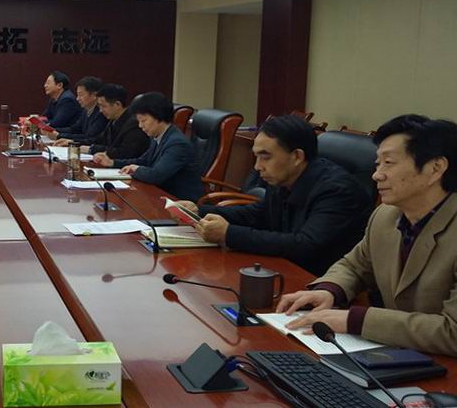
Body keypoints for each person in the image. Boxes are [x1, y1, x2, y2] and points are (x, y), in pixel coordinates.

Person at [277, 115, 457, 357]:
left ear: (435, 168)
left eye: (388, 163)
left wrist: (356, 320)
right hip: (402, 356)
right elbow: (355, 266)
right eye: (377, 164)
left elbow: (453, 332)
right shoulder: (385, 215)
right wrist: (330, 290)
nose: (376, 175)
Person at [177, 115, 372, 276]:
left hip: (317, 281)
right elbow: (260, 213)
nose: (257, 166)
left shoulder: (338, 190)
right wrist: (199, 211)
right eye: (256, 157)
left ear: (297, 156)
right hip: (283, 267)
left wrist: (229, 234)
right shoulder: (284, 177)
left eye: (265, 157)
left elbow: (305, 245)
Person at [93, 92, 203, 201]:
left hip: (179, 201)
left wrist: (137, 169)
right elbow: (144, 161)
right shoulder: (158, 136)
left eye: (143, 120)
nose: (140, 126)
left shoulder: (177, 143)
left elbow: (156, 176)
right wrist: (112, 163)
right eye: (139, 121)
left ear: (159, 116)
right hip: (159, 194)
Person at [83, 83, 150, 159]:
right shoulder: (113, 120)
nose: (100, 110)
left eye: (103, 106)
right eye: (99, 106)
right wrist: (76, 143)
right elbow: (99, 140)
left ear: (117, 104)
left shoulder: (134, 124)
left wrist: (92, 149)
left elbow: (126, 152)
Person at [50, 76, 107, 146]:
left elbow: (89, 137)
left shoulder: (102, 113)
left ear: (94, 95)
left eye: (81, 95)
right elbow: (74, 129)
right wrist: (53, 130)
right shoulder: (86, 110)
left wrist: (59, 135)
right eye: (77, 95)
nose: (77, 98)